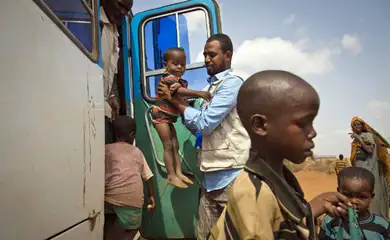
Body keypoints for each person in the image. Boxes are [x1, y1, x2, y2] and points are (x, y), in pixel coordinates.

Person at [209, 70, 352, 239]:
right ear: (260, 125)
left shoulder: (277, 177)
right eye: (302, 123)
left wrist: (316, 205)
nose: (312, 133)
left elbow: (280, 222)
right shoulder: (254, 196)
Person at [157, 34, 251, 239]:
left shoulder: (232, 84)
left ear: (228, 55)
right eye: (205, 55)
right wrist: (177, 107)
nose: (207, 59)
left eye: (212, 55)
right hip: (209, 179)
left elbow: (205, 124)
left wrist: (175, 102)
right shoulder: (209, 89)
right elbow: (197, 127)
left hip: (231, 178)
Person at [152, 47, 211, 189]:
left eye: (183, 64)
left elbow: (181, 97)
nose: (180, 67)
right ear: (166, 65)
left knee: (175, 146)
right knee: (168, 146)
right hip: (160, 116)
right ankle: (171, 175)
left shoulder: (181, 81)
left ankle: (178, 173)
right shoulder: (169, 78)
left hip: (169, 118)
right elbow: (179, 91)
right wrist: (198, 93)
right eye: (175, 63)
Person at [104, 116, 155, 240]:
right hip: (133, 203)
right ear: (132, 135)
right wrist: (151, 196)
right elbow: (148, 176)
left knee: (109, 227)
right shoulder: (137, 152)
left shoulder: (105, 150)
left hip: (109, 200)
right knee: (129, 230)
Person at [319, 166, 390, 239]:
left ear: (371, 197)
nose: (353, 201)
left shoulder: (382, 225)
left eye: (362, 197)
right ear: (338, 193)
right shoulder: (330, 221)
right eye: (347, 195)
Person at [100, 0, 133, 144]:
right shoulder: (96, 23)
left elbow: (109, 70)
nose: (124, 13)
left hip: (104, 107)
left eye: (127, 9)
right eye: (121, 6)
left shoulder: (114, 31)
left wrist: (111, 95)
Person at [350, 117, 389, 219]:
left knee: (369, 191)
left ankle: (373, 216)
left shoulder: (366, 135)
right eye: (355, 125)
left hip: (368, 168)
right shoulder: (357, 137)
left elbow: (370, 150)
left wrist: (359, 139)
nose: (357, 127)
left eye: (359, 124)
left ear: (363, 126)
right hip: (360, 168)